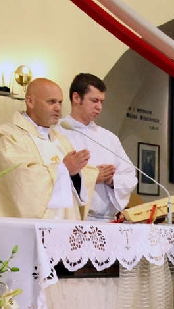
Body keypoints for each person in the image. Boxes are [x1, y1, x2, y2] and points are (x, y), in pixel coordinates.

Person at [0, 78, 97, 220]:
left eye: (60, 102)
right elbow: (20, 180)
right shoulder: (7, 135)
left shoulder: (61, 141)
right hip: (28, 227)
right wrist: (64, 169)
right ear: (30, 102)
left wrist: (78, 173)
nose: (58, 108)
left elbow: (76, 187)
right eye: (51, 102)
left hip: (65, 225)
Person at [56, 73, 136, 221]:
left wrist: (112, 180)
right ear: (76, 98)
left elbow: (130, 176)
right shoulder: (56, 132)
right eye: (94, 101)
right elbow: (51, 176)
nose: (99, 107)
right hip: (72, 218)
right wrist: (93, 177)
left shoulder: (109, 138)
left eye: (101, 102)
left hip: (107, 219)